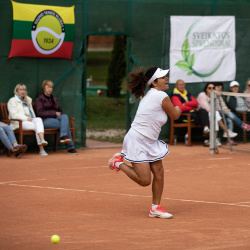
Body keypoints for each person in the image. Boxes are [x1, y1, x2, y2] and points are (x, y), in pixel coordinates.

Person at [108, 67, 181, 219]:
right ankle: (117, 163)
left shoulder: (153, 94)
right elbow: (174, 115)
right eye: (162, 77)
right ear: (154, 83)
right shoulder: (160, 95)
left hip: (150, 141)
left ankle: (155, 208)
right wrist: (179, 107)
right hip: (137, 140)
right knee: (145, 181)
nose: (166, 79)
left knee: (159, 173)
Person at [35, 80, 78, 154]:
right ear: (44, 88)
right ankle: (70, 147)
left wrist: (58, 113)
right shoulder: (39, 99)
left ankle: (63, 136)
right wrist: (54, 113)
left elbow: (60, 111)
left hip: (56, 119)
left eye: (51, 87)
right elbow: (40, 113)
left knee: (64, 116)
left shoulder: (54, 98)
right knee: (65, 125)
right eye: (48, 87)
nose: (50, 89)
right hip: (44, 120)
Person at [7, 84, 48, 156]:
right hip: (19, 123)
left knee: (38, 119)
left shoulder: (27, 100)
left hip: (30, 120)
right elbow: (13, 115)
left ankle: (42, 140)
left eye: (24, 90)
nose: (23, 91)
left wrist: (32, 119)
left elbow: (32, 113)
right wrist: (26, 119)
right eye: (20, 90)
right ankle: (42, 149)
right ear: (16, 91)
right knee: (37, 127)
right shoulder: (12, 101)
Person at [196, 82, 237, 146]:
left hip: (211, 114)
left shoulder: (214, 96)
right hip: (201, 116)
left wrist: (215, 97)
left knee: (215, 115)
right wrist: (214, 110)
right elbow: (207, 108)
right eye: (209, 88)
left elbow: (217, 108)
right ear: (206, 89)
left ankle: (215, 139)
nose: (211, 89)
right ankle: (225, 132)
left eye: (213, 88)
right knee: (215, 114)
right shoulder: (202, 95)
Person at [171, 79, 210, 146]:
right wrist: (191, 106)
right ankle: (206, 139)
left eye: (182, 84)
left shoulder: (188, 93)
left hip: (192, 113)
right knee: (202, 118)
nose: (181, 86)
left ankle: (206, 129)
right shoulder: (174, 96)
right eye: (180, 85)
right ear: (176, 86)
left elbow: (196, 103)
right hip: (183, 116)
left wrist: (185, 103)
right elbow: (180, 108)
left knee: (203, 112)